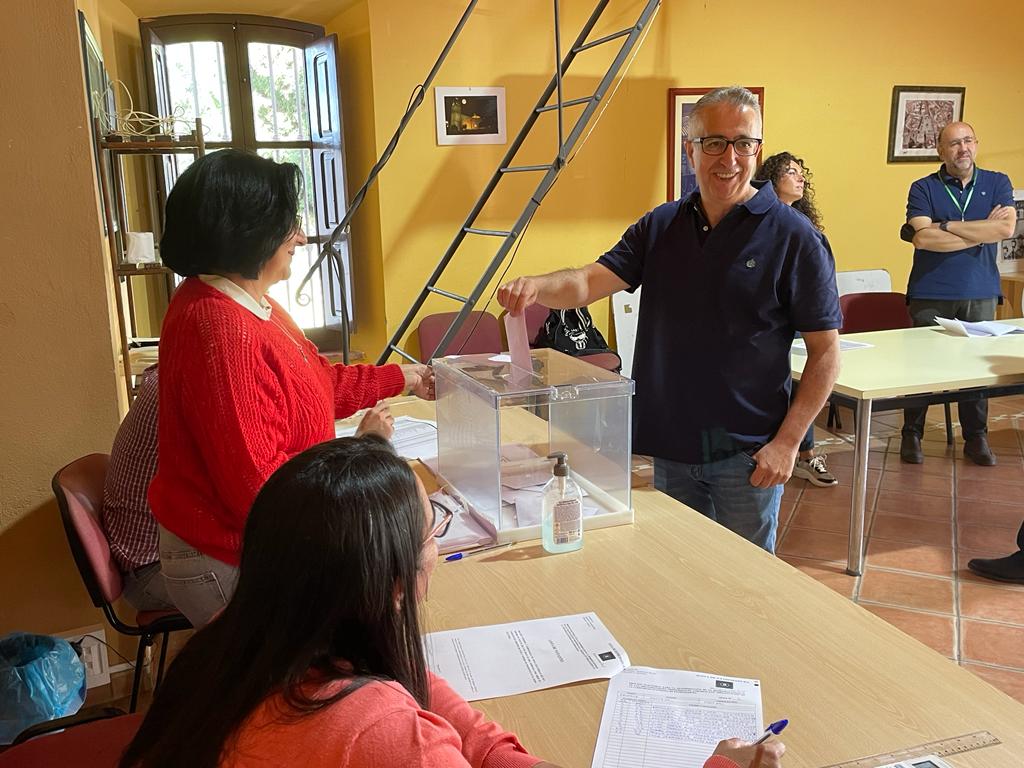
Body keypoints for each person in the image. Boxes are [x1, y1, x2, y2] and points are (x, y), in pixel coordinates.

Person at [119, 436, 782, 768]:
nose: (438, 537)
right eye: (432, 525)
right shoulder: (377, 730)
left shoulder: (237, 645)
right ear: (395, 579)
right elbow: (421, 729)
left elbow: (456, 720)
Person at [499, 87, 841, 553]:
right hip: (672, 451)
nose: (730, 158)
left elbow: (825, 354)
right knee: (681, 571)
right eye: (714, 142)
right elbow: (587, 282)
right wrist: (537, 286)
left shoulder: (795, 238)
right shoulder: (661, 225)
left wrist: (788, 444)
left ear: (757, 150)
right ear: (691, 150)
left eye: (744, 143)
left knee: (746, 584)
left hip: (748, 455)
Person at [149, 149, 433, 627]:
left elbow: (318, 386)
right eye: (289, 224)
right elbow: (260, 493)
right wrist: (362, 456)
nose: (300, 236)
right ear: (249, 231)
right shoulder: (220, 327)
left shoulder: (253, 304)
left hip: (265, 541)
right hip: (231, 557)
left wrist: (404, 377)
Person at [900, 122, 1016, 466]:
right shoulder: (923, 187)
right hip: (930, 290)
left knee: (975, 370)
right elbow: (922, 238)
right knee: (921, 369)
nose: (962, 148)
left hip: (980, 289)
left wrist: (946, 226)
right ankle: (912, 435)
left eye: (967, 141)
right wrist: (983, 231)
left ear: (976, 144)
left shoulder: (998, 182)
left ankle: (976, 438)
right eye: (953, 143)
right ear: (940, 150)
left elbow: (1006, 229)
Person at [755, 152, 837, 488]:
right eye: (791, 172)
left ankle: (803, 452)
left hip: (806, 320)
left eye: (802, 173)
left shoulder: (803, 229)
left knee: (809, 381)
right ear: (771, 179)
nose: (800, 179)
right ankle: (794, 450)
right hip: (772, 327)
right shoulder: (757, 224)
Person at [101, 365, 174, 612]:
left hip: (149, 556)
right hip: (150, 570)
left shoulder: (165, 373)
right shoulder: (184, 394)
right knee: (285, 584)